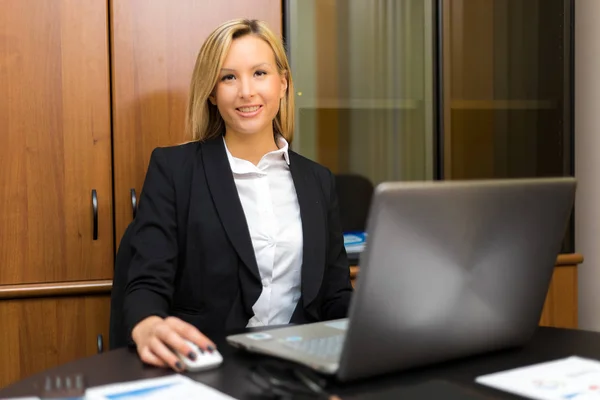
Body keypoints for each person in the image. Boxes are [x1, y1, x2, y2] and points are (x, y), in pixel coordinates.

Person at [124, 18, 353, 372]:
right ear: (212, 93)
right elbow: (145, 283)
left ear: (283, 84)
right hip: (207, 368)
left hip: (299, 371)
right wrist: (148, 325)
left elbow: (336, 296)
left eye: (260, 73)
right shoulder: (175, 170)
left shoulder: (318, 181)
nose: (246, 91)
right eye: (228, 77)